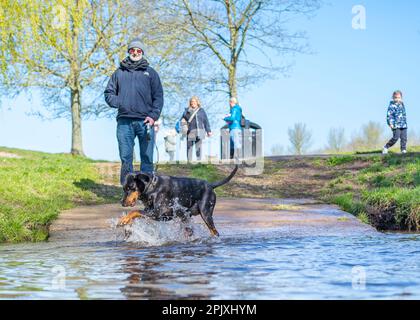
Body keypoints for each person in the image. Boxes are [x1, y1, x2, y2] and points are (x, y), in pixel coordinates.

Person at [104, 38, 164, 185]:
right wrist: (121, 103)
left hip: (145, 122)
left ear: (142, 52)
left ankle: (147, 190)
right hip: (124, 122)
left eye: (138, 50)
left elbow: (158, 97)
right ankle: (128, 189)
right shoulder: (119, 73)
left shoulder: (151, 73)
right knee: (126, 157)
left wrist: (153, 116)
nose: (135, 52)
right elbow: (108, 93)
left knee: (147, 157)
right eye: (132, 50)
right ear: (129, 51)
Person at [182, 96, 212, 162]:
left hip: (200, 130)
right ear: (190, 103)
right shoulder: (187, 110)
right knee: (189, 146)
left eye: (194, 101)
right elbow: (183, 120)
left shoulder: (201, 110)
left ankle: (199, 161)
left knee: (198, 146)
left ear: (197, 102)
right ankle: (189, 161)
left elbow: (206, 121)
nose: (193, 103)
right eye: (192, 102)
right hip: (190, 130)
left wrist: (208, 131)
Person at [383, 90, 408, 154]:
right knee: (395, 138)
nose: (397, 99)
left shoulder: (402, 104)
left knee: (404, 138)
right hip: (395, 125)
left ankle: (403, 149)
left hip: (403, 124)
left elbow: (403, 114)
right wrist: (390, 123)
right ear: (393, 98)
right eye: (395, 97)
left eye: (399, 98)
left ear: (401, 98)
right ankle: (386, 146)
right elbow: (389, 115)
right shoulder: (391, 106)